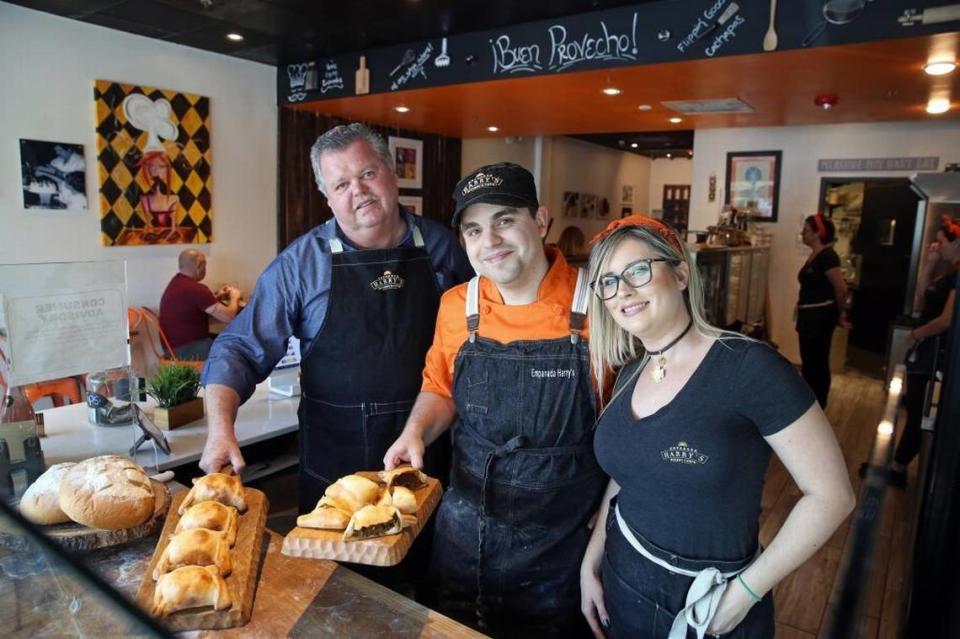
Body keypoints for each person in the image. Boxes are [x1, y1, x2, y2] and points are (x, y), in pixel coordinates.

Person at [579, 215, 855, 639]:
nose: (623, 291)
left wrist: (742, 595)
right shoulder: (631, 371)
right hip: (622, 581)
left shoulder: (750, 367)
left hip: (712, 604)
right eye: (609, 281)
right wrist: (591, 560)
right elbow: (625, 475)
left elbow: (832, 496)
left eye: (637, 270)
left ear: (681, 272)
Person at [198, 123, 472, 513]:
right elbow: (239, 348)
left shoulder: (443, 248)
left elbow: (481, 341)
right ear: (327, 198)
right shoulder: (300, 265)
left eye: (367, 174)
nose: (358, 191)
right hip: (335, 468)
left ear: (391, 173)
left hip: (427, 454)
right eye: (341, 185)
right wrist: (220, 431)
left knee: (429, 570)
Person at [384, 162, 606, 637]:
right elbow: (441, 388)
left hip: (563, 550)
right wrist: (415, 431)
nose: (491, 240)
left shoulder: (599, 307)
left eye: (505, 219)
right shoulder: (456, 306)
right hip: (465, 538)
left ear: (540, 221)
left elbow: (627, 434)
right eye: (474, 229)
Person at [887, 218, 959, 488]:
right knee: (914, 406)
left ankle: (899, 464)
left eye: (941, 242)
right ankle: (900, 462)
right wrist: (929, 263)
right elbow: (920, 300)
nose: (937, 247)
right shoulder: (947, 273)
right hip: (926, 348)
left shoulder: (956, 277)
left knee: (919, 410)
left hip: (934, 350)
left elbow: (947, 319)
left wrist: (918, 334)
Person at [796, 213, 850, 408]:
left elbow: (841, 288)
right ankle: (810, 402)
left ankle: (818, 403)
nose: (803, 233)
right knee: (809, 360)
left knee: (817, 361)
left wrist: (841, 313)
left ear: (818, 233)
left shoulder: (828, 256)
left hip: (820, 318)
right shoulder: (814, 255)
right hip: (808, 316)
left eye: (807, 230)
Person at [159, 249, 241, 360]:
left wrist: (216, 297)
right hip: (186, 350)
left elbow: (194, 307)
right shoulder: (195, 289)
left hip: (172, 348)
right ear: (199, 266)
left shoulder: (176, 283)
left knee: (228, 340)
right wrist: (235, 297)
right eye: (205, 266)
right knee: (237, 348)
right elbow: (229, 317)